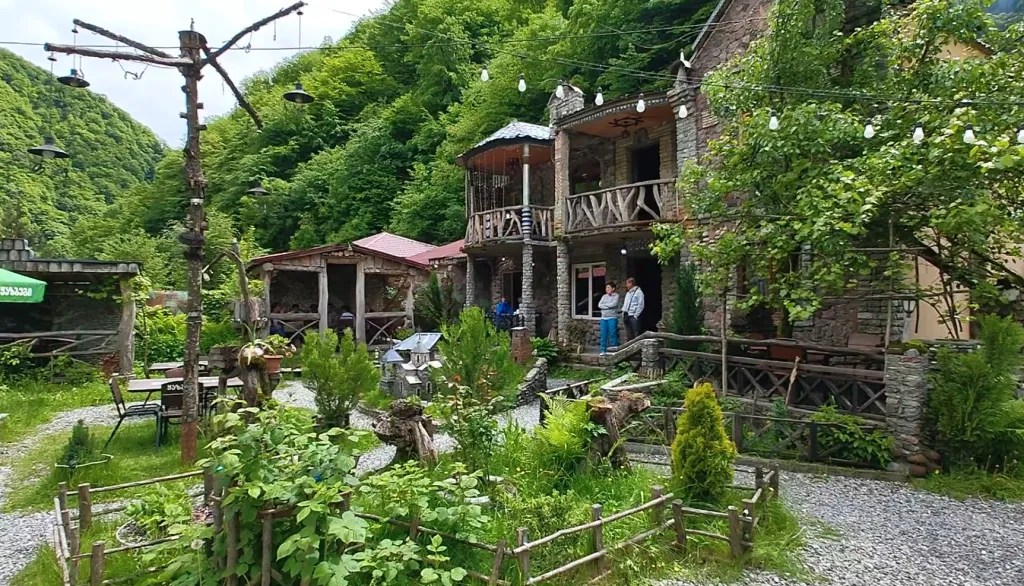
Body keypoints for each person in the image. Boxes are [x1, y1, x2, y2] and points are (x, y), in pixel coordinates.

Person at [598, 282, 620, 356]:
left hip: (612, 318)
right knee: (603, 334)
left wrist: (605, 306)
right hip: (603, 318)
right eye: (606, 287)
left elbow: (613, 304)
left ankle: (614, 350)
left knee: (612, 333)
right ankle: (603, 350)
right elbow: (599, 305)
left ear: (613, 288)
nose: (607, 289)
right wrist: (607, 306)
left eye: (608, 287)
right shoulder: (604, 296)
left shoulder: (616, 296)